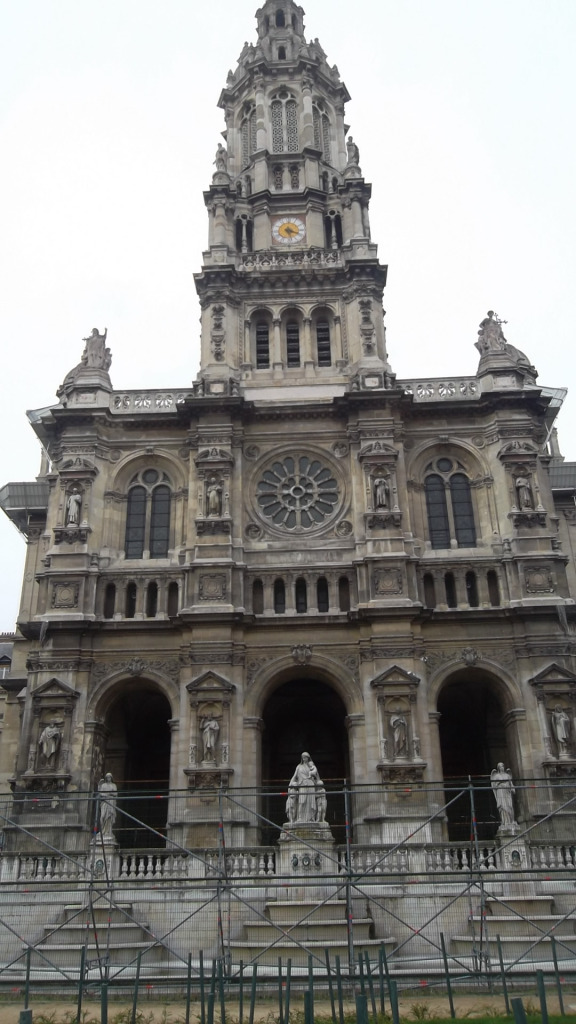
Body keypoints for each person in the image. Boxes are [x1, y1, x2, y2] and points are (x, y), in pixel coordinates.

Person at [288, 752, 322, 822]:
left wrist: (316, 780)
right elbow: (294, 776)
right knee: (302, 802)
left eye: (305, 757)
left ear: (308, 758)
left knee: (311, 803)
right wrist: (290, 784)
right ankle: (300, 818)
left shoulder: (311, 766)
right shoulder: (299, 767)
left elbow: (317, 777)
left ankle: (311, 818)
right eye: (303, 757)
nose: (304, 758)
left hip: (311, 785)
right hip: (302, 785)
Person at [98, 773, 118, 839]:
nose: (108, 778)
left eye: (109, 777)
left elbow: (115, 794)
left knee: (109, 817)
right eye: (107, 777)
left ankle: (108, 832)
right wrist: (107, 794)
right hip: (105, 802)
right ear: (106, 778)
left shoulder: (114, 785)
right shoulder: (103, 785)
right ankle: (102, 831)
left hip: (111, 802)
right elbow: (100, 793)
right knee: (102, 816)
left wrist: (109, 793)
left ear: (111, 778)